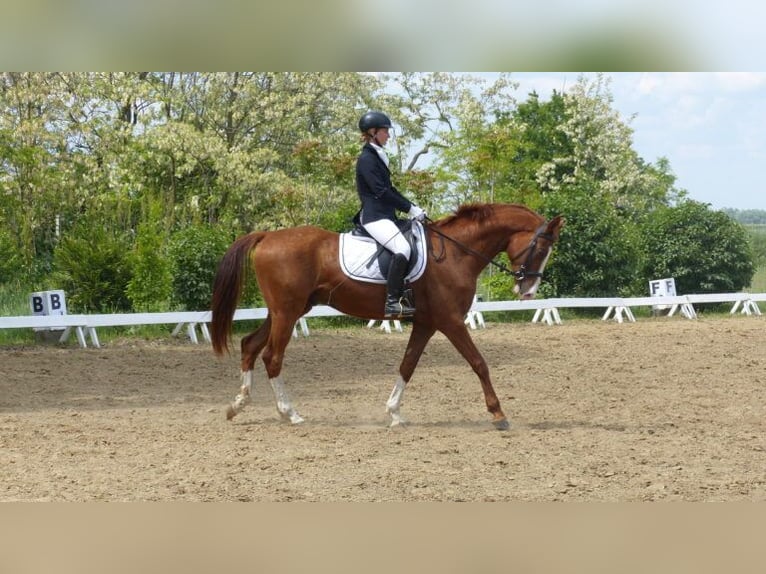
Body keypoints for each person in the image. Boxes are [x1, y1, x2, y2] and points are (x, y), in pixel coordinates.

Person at [355, 111, 426, 318]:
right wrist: (409, 209)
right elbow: (381, 191)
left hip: (386, 216)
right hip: (374, 217)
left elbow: (390, 189)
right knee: (402, 248)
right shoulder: (367, 159)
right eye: (385, 131)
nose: (388, 135)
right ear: (373, 132)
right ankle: (392, 302)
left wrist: (413, 207)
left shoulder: (378, 155)